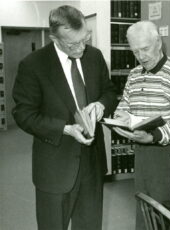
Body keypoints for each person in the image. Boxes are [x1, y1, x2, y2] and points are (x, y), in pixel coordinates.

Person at [12, 5, 117, 230]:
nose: (81, 48)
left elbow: (109, 92)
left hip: (92, 164)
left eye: (85, 39)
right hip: (54, 166)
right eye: (72, 44)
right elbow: (23, 114)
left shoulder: (95, 56)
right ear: (54, 38)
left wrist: (101, 104)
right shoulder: (33, 65)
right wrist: (65, 129)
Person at [113, 20, 170, 229]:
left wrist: (154, 136)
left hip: (168, 152)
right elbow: (124, 105)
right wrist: (119, 119)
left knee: (168, 214)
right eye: (135, 51)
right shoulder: (134, 75)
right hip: (142, 152)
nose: (141, 56)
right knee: (144, 209)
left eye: (145, 49)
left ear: (158, 42)